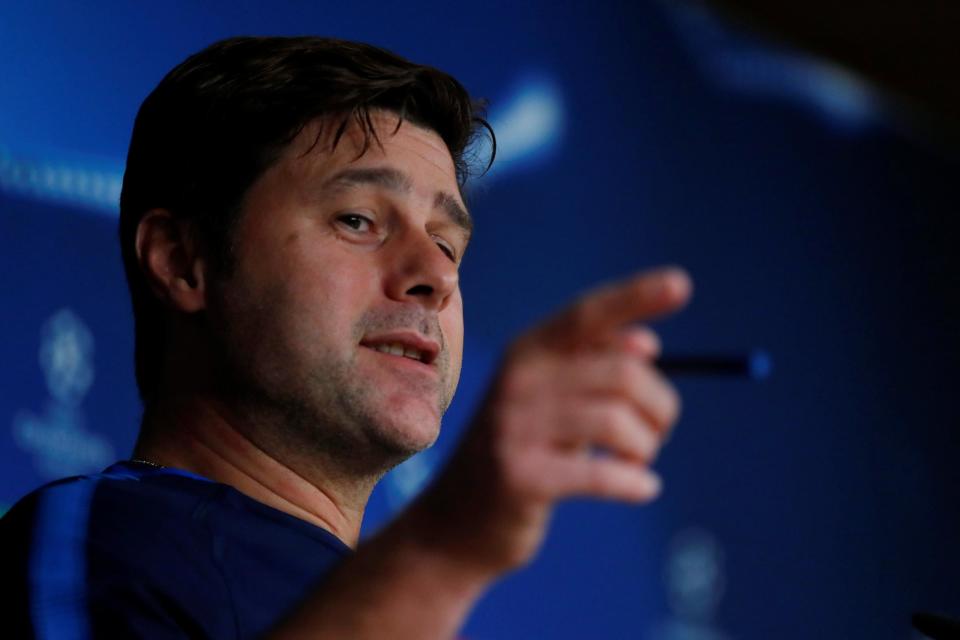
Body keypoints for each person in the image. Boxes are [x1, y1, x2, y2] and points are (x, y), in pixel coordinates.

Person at [0, 36, 691, 638]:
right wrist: (444, 550)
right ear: (184, 261)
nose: (434, 277)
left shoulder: (403, 608)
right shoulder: (103, 545)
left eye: (449, 245)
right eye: (358, 219)